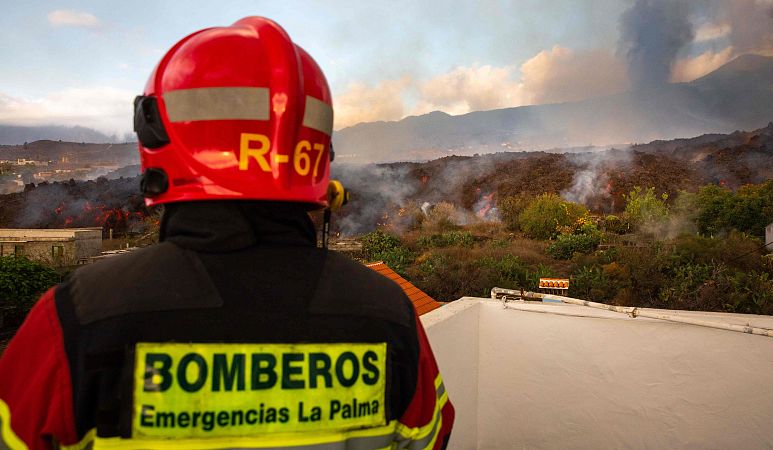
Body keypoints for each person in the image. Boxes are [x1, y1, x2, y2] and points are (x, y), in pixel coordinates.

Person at [0, 16, 454, 449]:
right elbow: (432, 435)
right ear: (315, 152)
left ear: (157, 135)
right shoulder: (390, 318)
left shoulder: (77, 320)